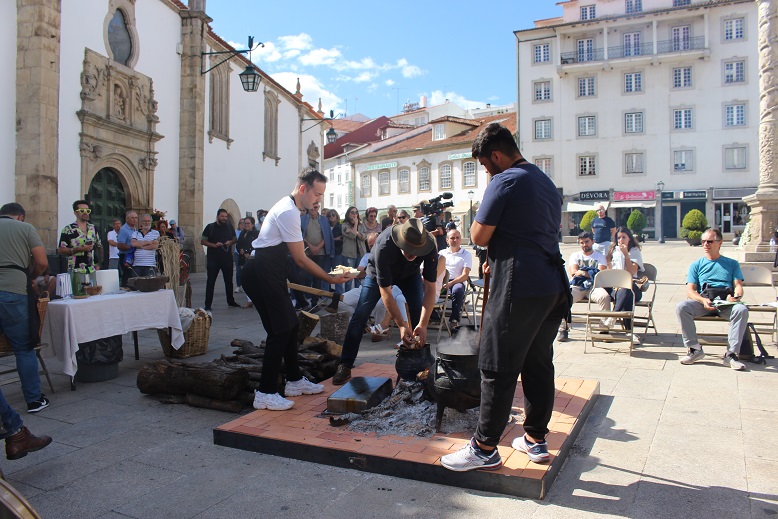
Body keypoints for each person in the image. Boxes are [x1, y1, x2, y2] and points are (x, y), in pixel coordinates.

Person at [441, 122, 569, 472]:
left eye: (485, 165)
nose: (486, 172)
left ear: (496, 156)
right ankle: (535, 438)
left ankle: (484, 448)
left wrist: (490, 195)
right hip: (552, 285)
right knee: (538, 363)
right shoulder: (544, 181)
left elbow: (478, 235)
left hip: (519, 285)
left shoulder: (505, 180)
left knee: (497, 365)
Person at [241, 168, 348, 411]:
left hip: (270, 272)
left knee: (290, 325)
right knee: (279, 330)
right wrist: (329, 279)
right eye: (317, 194)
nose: (319, 200)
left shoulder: (292, 208)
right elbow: (300, 258)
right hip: (260, 273)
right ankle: (265, 392)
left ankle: (294, 380)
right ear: (303, 189)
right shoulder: (288, 211)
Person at [332, 218, 439, 385]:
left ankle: (418, 366)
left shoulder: (430, 244)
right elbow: (386, 292)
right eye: (408, 249)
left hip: (410, 275)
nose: (412, 254)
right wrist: (402, 325)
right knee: (361, 314)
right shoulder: (384, 245)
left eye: (416, 251)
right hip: (377, 276)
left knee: (417, 311)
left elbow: (431, 288)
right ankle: (345, 364)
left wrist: (423, 324)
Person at [0, 203, 50, 413]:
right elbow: (42, 262)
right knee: (23, 348)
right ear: (20, 216)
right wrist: (31, 275)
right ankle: (34, 400)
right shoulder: (25, 228)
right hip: (14, 291)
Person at [676, 228, 748, 371]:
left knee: (741, 309)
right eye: (703, 241)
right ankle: (695, 349)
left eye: (709, 241)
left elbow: (738, 285)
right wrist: (702, 300)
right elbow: (690, 291)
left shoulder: (732, 264)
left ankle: (731, 354)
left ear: (720, 243)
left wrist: (736, 296)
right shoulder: (696, 265)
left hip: (725, 303)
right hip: (704, 301)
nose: (705, 244)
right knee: (682, 307)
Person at [589, 227, 643, 342]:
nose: (621, 240)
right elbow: (608, 268)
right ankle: (629, 332)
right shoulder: (613, 250)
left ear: (629, 238)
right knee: (625, 297)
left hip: (632, 287)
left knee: (627, 289)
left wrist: (626, 255)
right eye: (618, 238)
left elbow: (632, 271)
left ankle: (613, 316)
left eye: (624, 237)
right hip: (616, 288)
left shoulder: (634, 251)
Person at [556, 231, 608, 343]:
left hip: (594, 286)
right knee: (565, 298)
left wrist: (583, 272)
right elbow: (574, 272)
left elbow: (600, 274)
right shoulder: (575, 255)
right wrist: (590, 273)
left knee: (605, 297)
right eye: (582, 242)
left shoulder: (600, 256)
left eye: (587, 242)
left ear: (592, 241)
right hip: (578, 286)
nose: (585, 245)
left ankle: (604, 329)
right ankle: (563, 328)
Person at [201, 209, 240, 311]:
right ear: (218, 216)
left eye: (226, 217)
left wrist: (230, 242)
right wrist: (213, 245)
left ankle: (231, 301)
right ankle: (208, 304)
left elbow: (235, 239)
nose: (224, 218)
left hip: (227, 258)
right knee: (211, 282)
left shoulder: (229, 227)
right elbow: (203, 241)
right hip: (213, 259)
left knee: (229, 281)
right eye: (222, 216)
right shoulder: (210, 227)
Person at [438, 229, 473, 330]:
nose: (455, 240)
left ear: (460, 239)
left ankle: (454, 319)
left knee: (458, 290)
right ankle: (433, 316)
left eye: (457, 238)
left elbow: (465, 275)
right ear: (447, 240)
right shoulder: (442, 253)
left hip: (457, 281)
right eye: (452, 238)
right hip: (441, 281)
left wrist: (451, 283)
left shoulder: (466, 254)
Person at [300, 203, 334, 305]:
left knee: (317, 277)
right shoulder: (303, 219)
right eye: (311, 207)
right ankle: (306, 299)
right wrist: (310, 246)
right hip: (307, 251)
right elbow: (301, 235)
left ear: (318, 208)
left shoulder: (324, 220)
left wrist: (318, 247)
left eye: (315, 207)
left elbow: (327, 236)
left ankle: (314, 301)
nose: (313, 209)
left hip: (320, 253)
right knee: (306, 277)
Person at [57, 200, 102, 272]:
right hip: (75, 270)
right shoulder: (68, 229)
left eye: (87, 211)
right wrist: (79, 249)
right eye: (82, 210)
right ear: (75, 213)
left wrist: (99, 263)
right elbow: (61, 250)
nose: (85, 213)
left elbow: (99, 247)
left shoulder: (93, 228)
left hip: (91, 270)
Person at [341, 206, 367, 292]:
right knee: (349, 278)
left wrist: (356, 232)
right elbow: (352, 236)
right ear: (348, 214)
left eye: (356, 212)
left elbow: (364, 237)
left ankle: (357, 294)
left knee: (359, 277)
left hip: (360, 253)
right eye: (352, 212)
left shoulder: (361, 225)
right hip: (349, 254)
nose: (354, 214)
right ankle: (347, 295)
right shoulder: (344, 225)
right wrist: (355, 224)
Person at [117, 211, 138, 286]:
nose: (134, 220)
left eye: (136, 218)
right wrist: (132, 247)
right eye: (132, 218)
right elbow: (120, 245)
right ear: (127, 219)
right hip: (125, 256)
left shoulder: (134, 229)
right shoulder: (124, 230)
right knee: (127, 277)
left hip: (132, 256)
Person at [328, 210, 345, 295]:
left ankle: (339, 294)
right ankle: (325, 295)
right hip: (327, 253)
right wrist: (335, 239)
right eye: (329, 215)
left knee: (338, 275)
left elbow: (342, 239)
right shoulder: (326, 226)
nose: (331, 217)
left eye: (333, 215)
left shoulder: (340, 226)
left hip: (337, 252)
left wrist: (332, 240)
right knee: (326, 274)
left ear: (337, 216)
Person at [233, 219, 245, 293]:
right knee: (238, 270)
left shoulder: (246, 233)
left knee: (244, 270)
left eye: (243, 223)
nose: (242, 224)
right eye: (240, 223)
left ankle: (244, 285)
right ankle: (238, 285)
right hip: (237, 253)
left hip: (245, 253)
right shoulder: (236, 232)